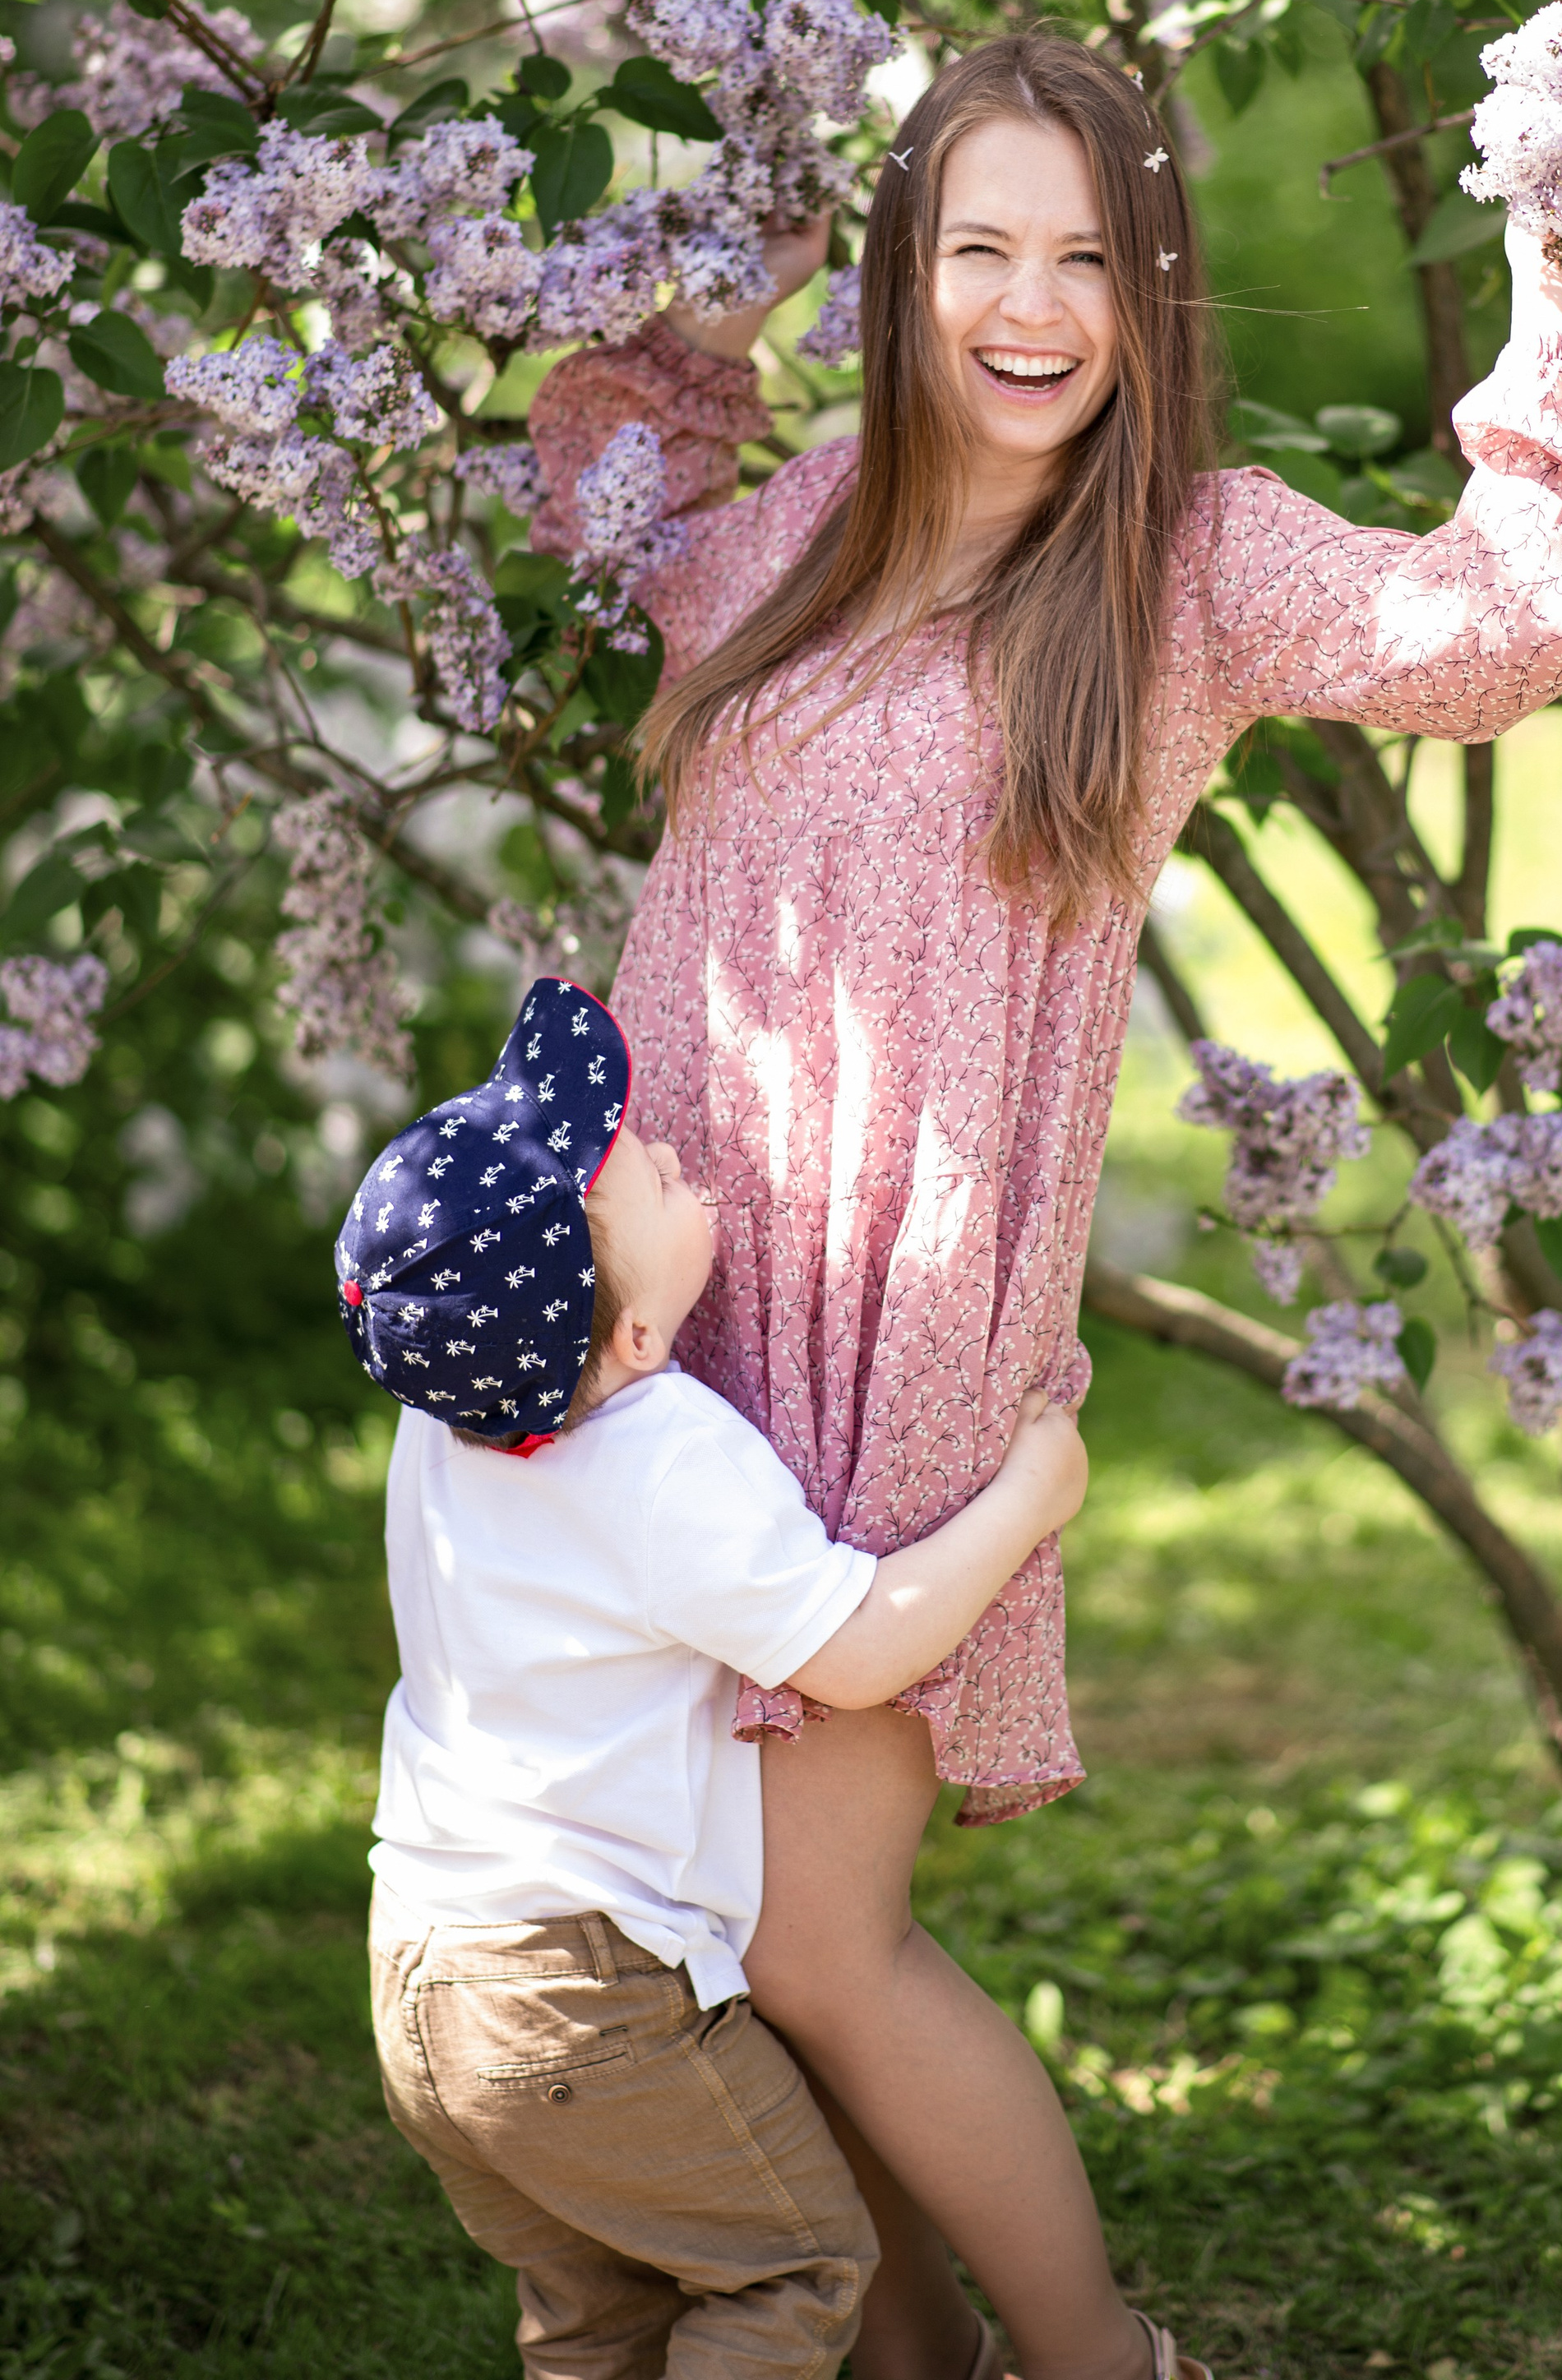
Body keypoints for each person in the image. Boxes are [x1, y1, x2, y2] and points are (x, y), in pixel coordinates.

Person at [528, 31, 1562, 2380]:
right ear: (904, 271)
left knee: (825, 1939)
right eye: (980, 251)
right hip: (677, 1288)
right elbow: (601, 505)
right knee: (719, 1931)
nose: (1032, 306)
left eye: (1089, 255)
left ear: (1151, 284)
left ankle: (1108, 2364)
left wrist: (1551, 281)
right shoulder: (804, 523)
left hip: (899, 1314)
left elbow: (1503, 627)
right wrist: (710, 299)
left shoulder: (1186, 564)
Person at [334, 974, 1088, 2380]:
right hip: (586, 1993)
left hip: (424, 1977)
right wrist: (1030, 1497)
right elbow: (861, 1648)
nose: (658, 1140)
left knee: (602, 2322)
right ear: (628, 1339)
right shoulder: (663, 1457)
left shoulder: (445, 1424)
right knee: (799, 2269)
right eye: (640, 1173)